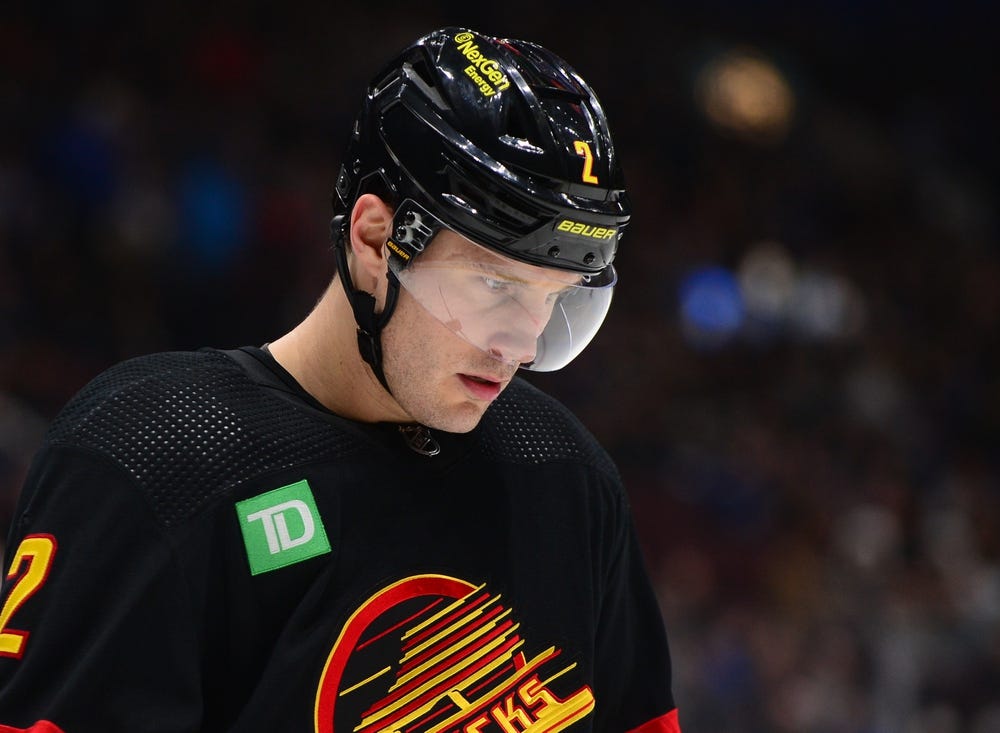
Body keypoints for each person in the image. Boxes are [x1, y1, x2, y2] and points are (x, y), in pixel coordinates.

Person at [0, 27, 679, 733]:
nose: (524, 344)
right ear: (375, 238)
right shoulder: (154, 461)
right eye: (495, 286)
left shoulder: (565, 474)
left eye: (556, 298)